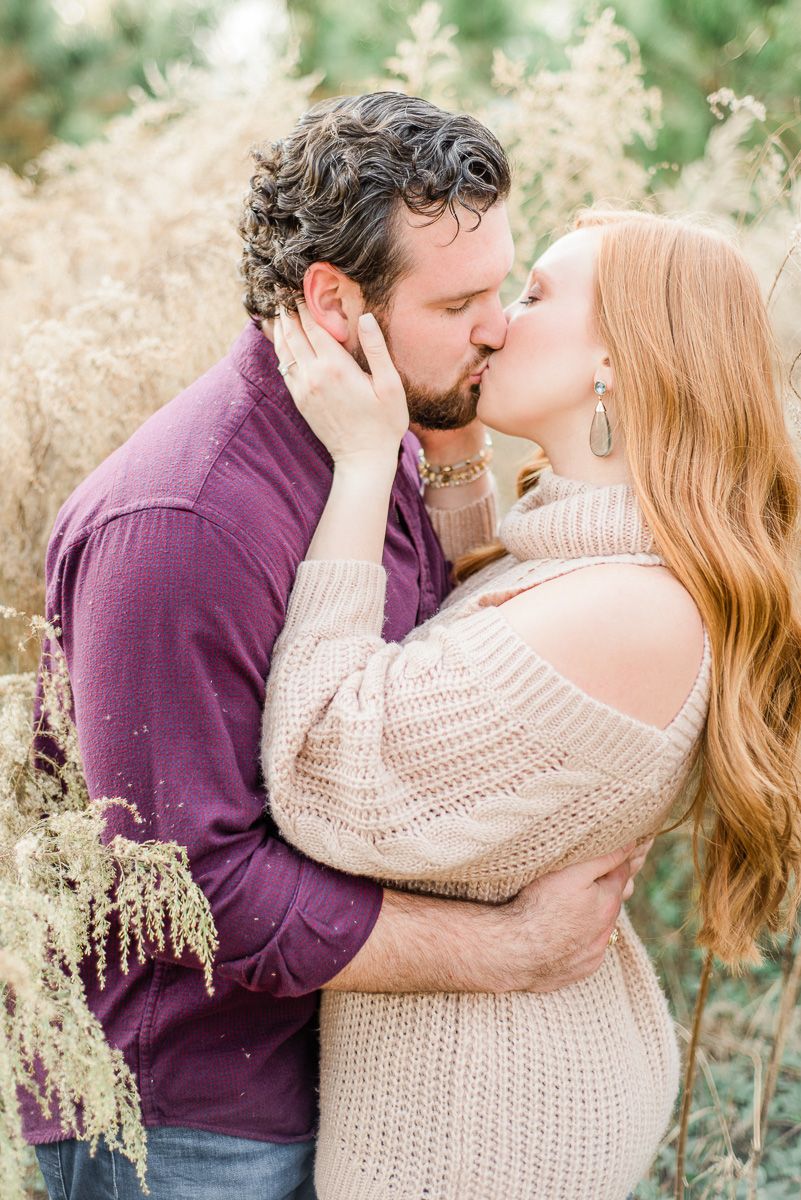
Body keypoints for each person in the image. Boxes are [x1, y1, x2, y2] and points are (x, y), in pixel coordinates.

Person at [29, 94, 643, 1200]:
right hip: (191, 1121)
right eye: (460, 301)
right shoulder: (184, 523)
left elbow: (437, 658)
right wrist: (510, 950)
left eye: (503, 288)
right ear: (334, 299)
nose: (497, 324)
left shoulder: (368, 425)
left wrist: (453, 457)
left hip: (332, 1087)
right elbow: (186, 889)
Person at [265, 206, 801, 1200]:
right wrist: (458, 454)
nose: (499, 322)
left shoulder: (631, 614)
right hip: (499, 1083)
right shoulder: (607, 562)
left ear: (622, 363)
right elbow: (491, 615)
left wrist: (366, 460)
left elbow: (326, 778)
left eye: (538, 297)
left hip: (483, 1135)